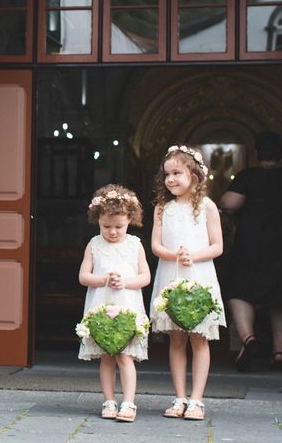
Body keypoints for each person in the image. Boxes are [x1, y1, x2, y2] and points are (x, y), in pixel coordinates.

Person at [150, 145, 225, 421]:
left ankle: (197, 399)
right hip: (171, 275)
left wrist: (193, 256)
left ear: (194, 175)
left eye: (177, 173)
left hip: (199, 276)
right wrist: (175, 256)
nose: (171, 179)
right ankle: (179, 395)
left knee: (199, 338)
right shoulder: (162, 208)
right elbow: (156, 245)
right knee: (177, 338)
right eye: (167, 174)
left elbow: (217, 246)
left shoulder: (207, 207)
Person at [219, 132, 282, 371]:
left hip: (253, 243)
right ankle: (279, 352)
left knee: (239, 291)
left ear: (257, 153)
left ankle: (249, 339)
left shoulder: (249, 176)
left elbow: (228, 203)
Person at [78, 184, 150, 423]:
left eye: (119, 226)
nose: (112, 232)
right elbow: (83, 276)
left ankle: (128, 402)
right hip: (101, 306)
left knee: (125, 356)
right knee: (107, 356)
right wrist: (102, 279)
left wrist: (126, 282)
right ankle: (109, 399)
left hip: (126, 307)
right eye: (106, 226)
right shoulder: (94, 244)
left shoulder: (134, 244)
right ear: (97, 219)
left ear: (130, 219)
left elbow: (145, 277)